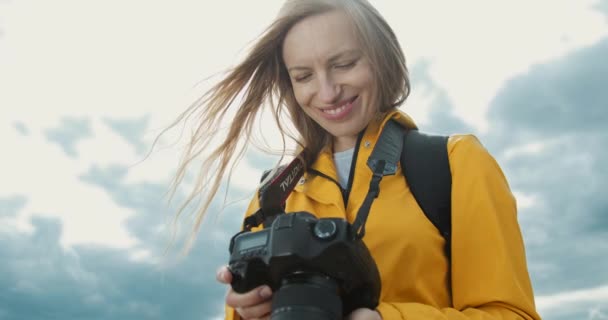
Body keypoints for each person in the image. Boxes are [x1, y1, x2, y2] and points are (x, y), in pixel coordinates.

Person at [170, 0, 542, 319]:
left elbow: (511, 314)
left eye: (344, 64)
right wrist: (247, 309)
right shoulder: (273, 195)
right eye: (303, 76)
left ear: (381, 59)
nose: (327, 92)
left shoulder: (455, 163)